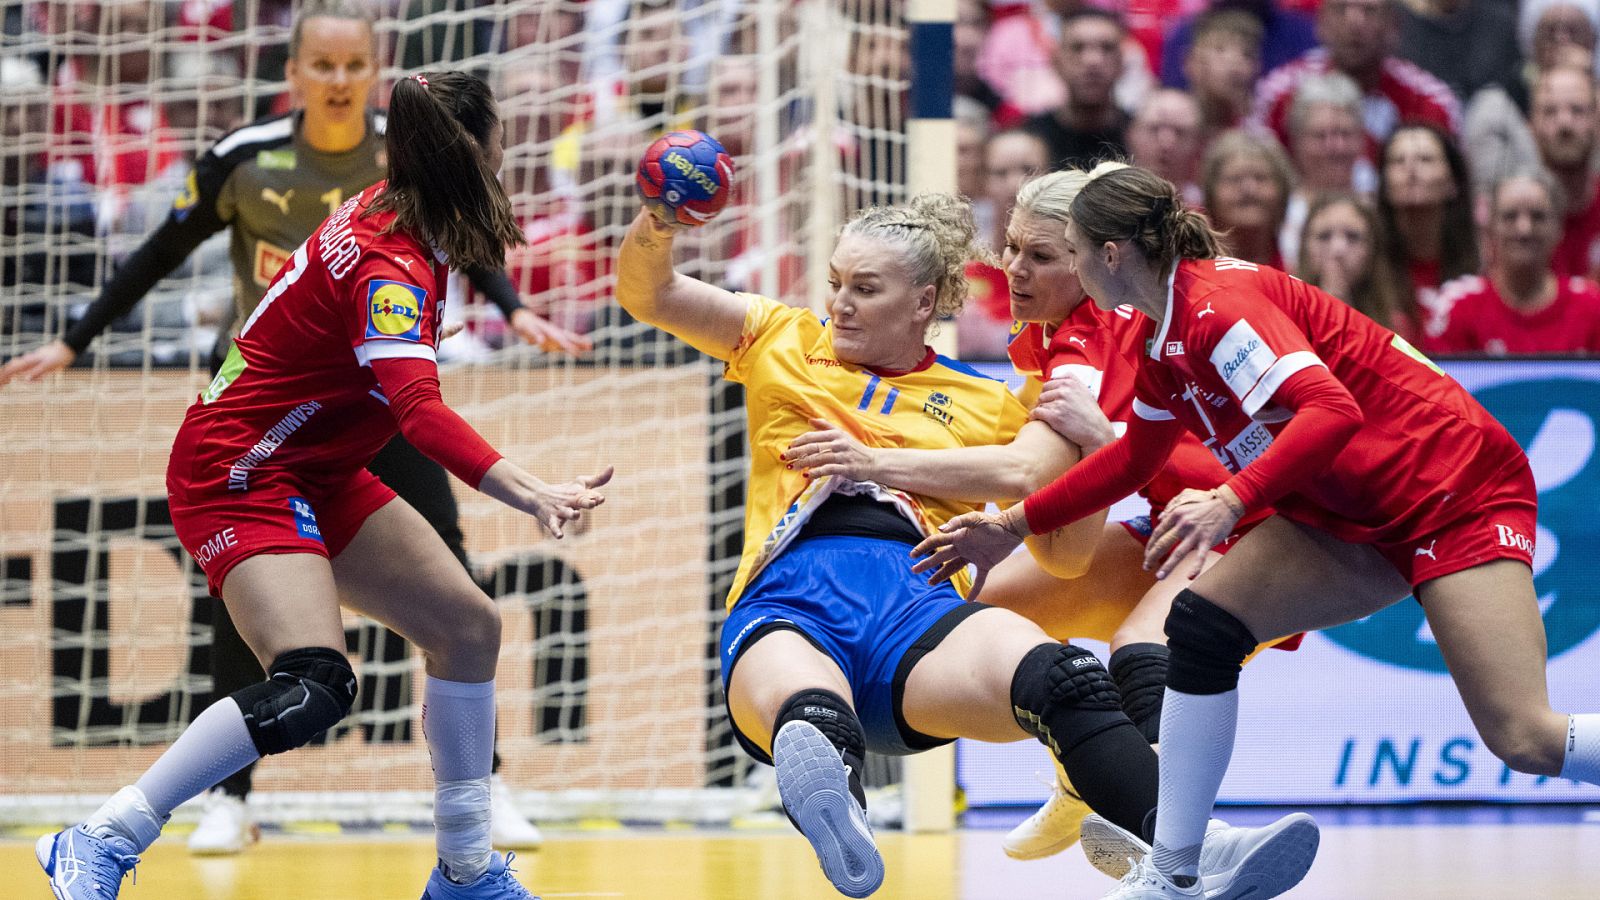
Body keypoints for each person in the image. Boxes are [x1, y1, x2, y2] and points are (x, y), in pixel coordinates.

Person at [913, 165, 1600, 899]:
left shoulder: (1218, 306)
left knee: (1522, 737)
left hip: (1453, 490)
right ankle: (1176, 869)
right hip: (1348, 510)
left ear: (1112, 254)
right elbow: (1132, 461)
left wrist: (1230, 500)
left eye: (1070, 252)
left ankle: (1171, 852)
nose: (1067, 271)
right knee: (1203, 624)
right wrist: (1010, 528)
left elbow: (1331, 411)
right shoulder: (1158, 338)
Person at [615, 188, 1312, 899]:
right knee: (813, 717)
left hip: (918, 603)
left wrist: (1094, 453)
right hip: (792, 594)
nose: (839, 305)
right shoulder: (777, 335)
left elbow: (1065, 555)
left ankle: (1193, 849)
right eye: (834, 284)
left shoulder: (993, 402)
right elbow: (651, 293)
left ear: (922, 302)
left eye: (864, 289)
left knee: (1068, 679)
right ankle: (837, 799)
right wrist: (660, 221)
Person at [0, 0, 577, 854]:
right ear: (472, 155)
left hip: (317, 458)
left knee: (468, 627)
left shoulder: (396, 205)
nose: (507, 156)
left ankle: (466, 863)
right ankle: (105, 836)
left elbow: (367, 328)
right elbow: (419, 411)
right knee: (315, 684)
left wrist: (451, 329)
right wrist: (522, 484)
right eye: (499, 143)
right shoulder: (388, 259)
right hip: (242, 467)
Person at [784, 168, 1290, 869]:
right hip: (1173, 518)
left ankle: (1173, 845)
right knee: (965, 611)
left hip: (1258, 519)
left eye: (1042, 256)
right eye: (1013, 247)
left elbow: (1036, 483)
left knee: (1146, 641)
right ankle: (1086, 771)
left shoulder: (1091, 337)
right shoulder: (1052, 334)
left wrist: (873, 461)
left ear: (1091, 262)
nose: (1015, 269)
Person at [1424, 170, 1600, 355]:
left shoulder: (1592, 306)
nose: (1524, 229)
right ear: (1490, 228)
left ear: (1559, 228)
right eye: (1510, 216)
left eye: (1538, 216)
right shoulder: (1457, 307)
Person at [1376, 122, 1478, 339]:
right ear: (1384, 184)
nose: (1411, 169)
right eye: (1398, 161)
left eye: (1425, 159)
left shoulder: (1485, 261)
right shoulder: (1368, 264)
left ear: (1453, 183)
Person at [1296, 192, 1409, 332]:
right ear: (1305, 247)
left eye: (1353, 237)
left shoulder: (1395, 325)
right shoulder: (1282, 313)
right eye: (1324, 236)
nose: (1338, 249)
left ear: (1372, 248)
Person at [1199, 129, 1296, 269]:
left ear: (1283, 192)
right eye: (1234, 179)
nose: (1249, 189)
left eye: (1260, 178)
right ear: (1210, 194)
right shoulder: (1186, 276)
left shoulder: (1301, 272)